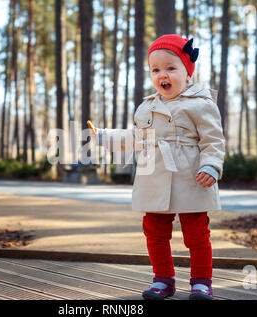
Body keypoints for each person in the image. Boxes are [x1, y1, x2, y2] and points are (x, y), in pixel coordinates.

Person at [88, 34, 225, 300]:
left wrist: (211, 166)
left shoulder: (201, 103)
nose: (163, 74)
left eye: (171, 68)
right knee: (154, 231)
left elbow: (213, 141)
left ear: (187, 72)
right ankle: (163, 279)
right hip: (155, 177)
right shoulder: (147, 107)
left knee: (196, 233)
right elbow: (136, 138)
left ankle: (201, 282)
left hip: (190, 177)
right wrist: (104, 136)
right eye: (156, 69)